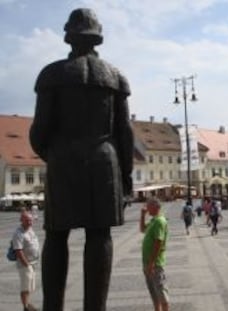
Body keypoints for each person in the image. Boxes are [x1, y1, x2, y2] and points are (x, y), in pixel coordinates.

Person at [29, 8, 133, 311]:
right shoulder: (115, 77)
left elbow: (39, 131)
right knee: (99, 234)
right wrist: (125, 174)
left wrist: (53, 155)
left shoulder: (52, 75)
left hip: (63, 158)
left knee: (57, 235)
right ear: (97, 38)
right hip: (104, 161)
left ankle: (53, 308)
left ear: (69, 36)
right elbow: (124, 133)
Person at [140, 198, 169, 311]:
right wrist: (142, 216)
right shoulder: (153, 220)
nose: (146, 208)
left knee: (161, 292)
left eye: (148, 206)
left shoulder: (159, 221)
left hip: (155, 264)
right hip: (148, 263)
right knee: (154, 294)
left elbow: (158, 242)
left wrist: (152, 263)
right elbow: (142, 229)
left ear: (155, 207)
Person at [12, 211, 40, 311]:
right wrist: (26, 264)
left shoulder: (30, 229)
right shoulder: (18, 233)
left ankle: (28, 303)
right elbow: (18, 250)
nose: (30, 222)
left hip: (32, 263)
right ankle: (25, 307)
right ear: (21, 220)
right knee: (25, 286)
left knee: (30, 286)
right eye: (27, 220)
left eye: (30, 220)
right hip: (25, 264)